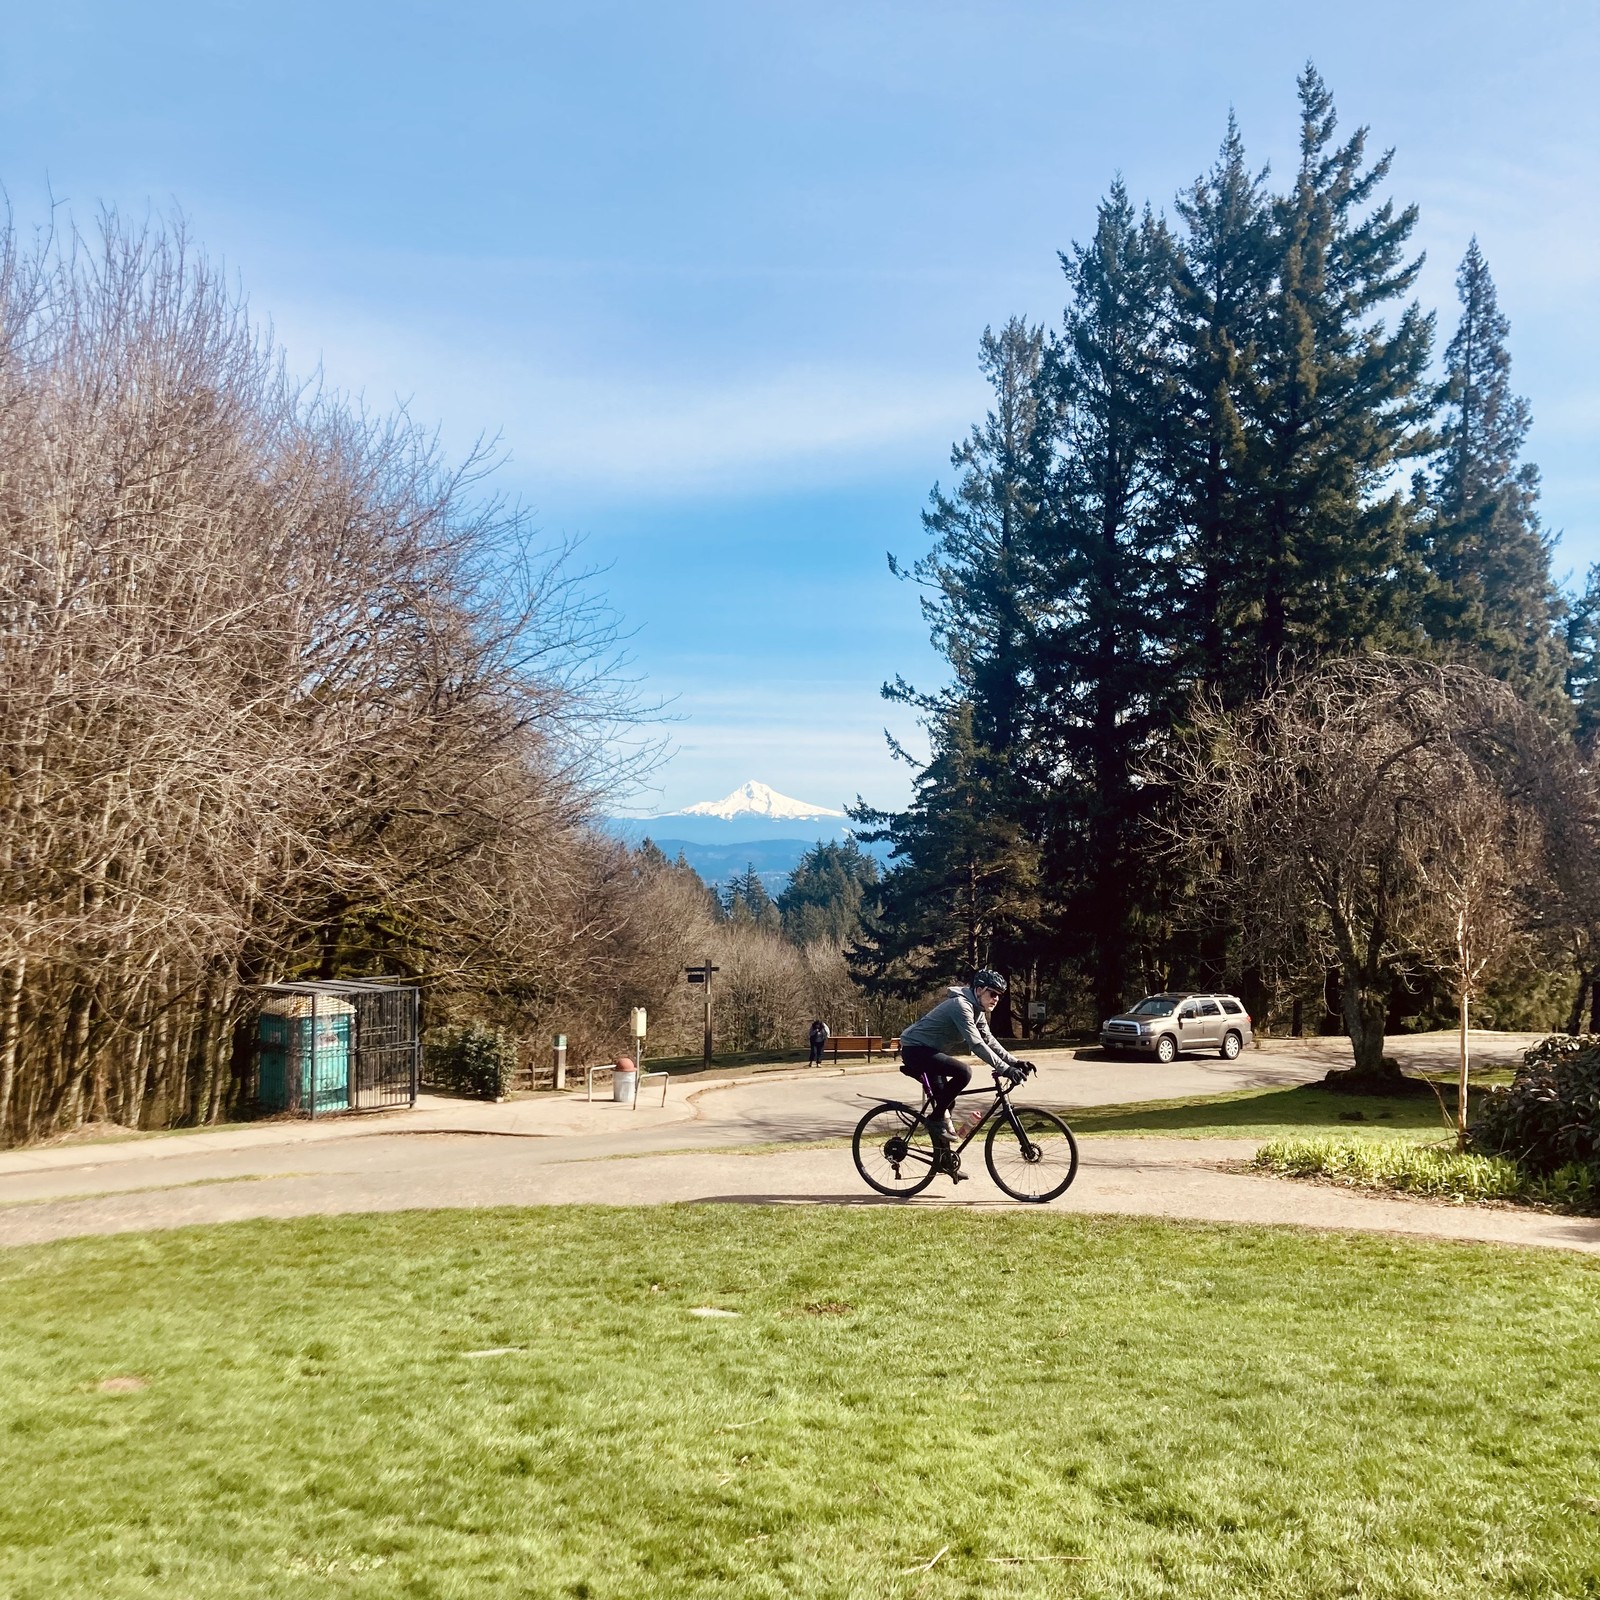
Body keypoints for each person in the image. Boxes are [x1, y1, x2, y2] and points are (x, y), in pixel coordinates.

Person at [898, 970, 1033, 1160]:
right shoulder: (961, 1006)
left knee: (947, 1103)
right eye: (992, 993)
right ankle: (934, 1119)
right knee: (963, 1072)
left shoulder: (977, 1010)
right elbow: (976, 1044)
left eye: (999, 996)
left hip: (929, 1052)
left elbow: (989, 1040)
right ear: (979, 990)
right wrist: (1005, 1069)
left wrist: (1014, 1062)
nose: (996, 999)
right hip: (915, 1050)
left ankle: (943, 1160)